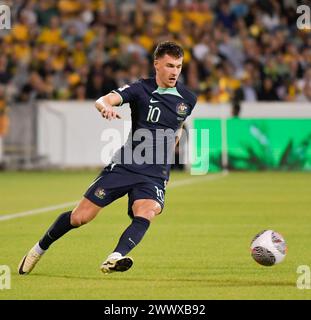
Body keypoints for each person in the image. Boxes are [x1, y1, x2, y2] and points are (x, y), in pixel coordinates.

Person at [18, 41, 197, 275]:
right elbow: (103, 100)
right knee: (80, 217)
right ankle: (38, 249)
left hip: (154, 174)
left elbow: (178, 126)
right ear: (156, 65)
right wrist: (105, 108)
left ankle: (115, 257)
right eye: (170, 65)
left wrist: (168, 157)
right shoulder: (140, 89)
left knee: (147, 212)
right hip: (126, 165)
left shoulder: (188, 98)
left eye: (179, 66)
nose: (175, 72)